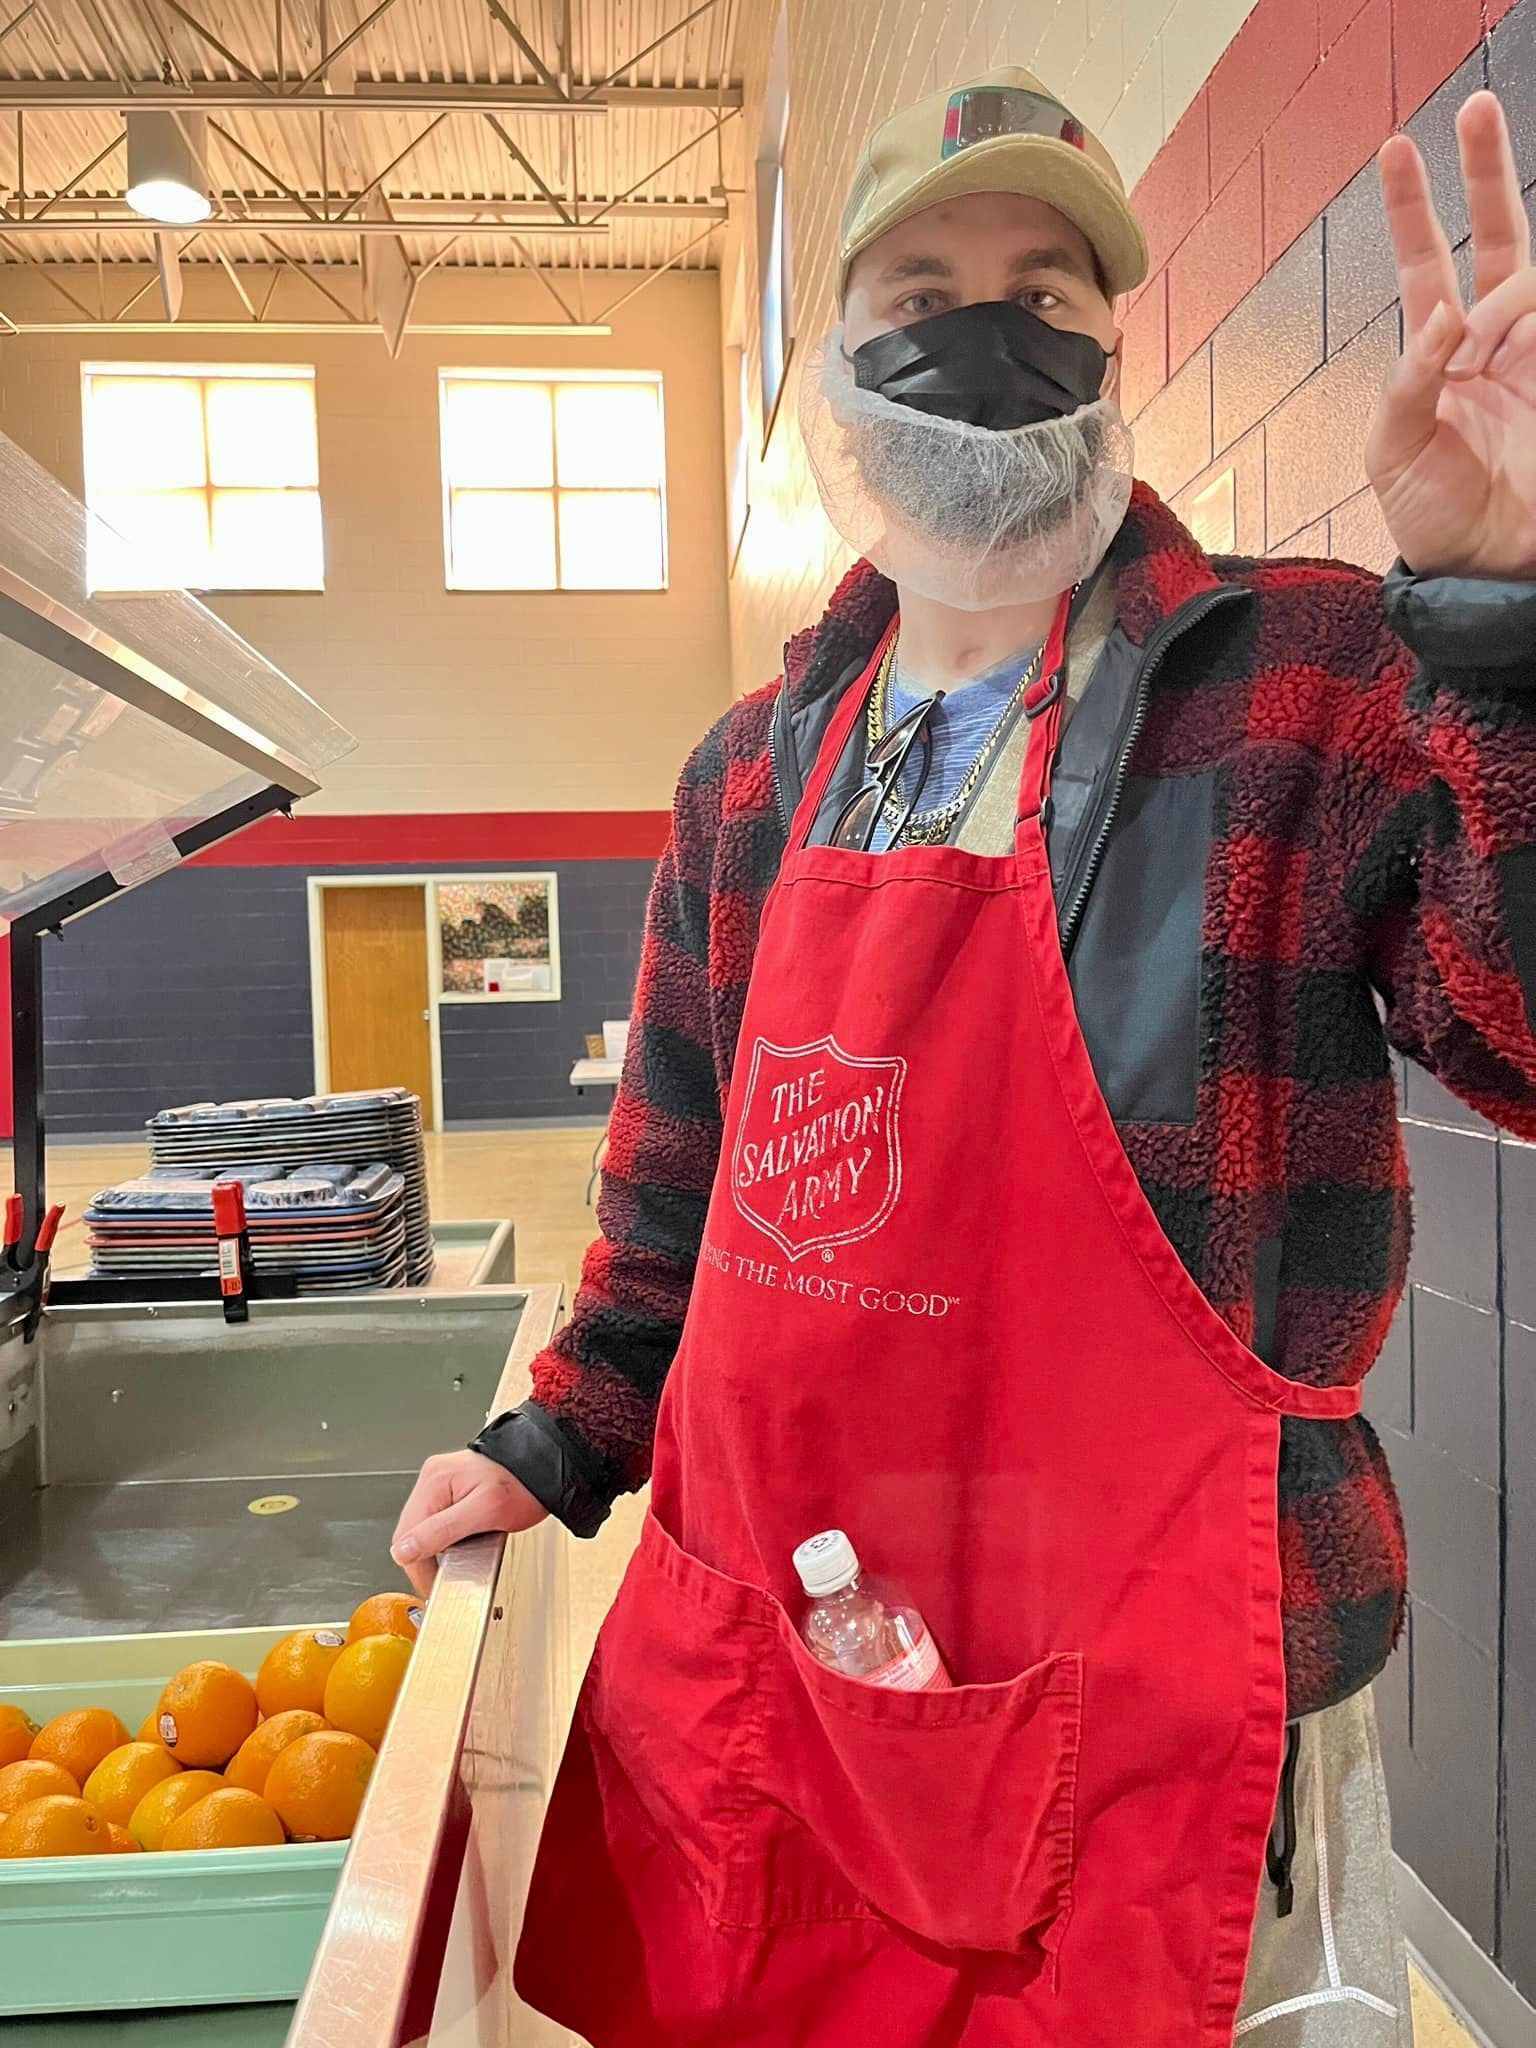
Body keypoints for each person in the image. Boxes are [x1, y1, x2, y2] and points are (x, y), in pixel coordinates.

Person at [394, 67, 1536, 2047]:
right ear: (840, 363)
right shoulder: (749, 772)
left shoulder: (1312, 679)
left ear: (1114, 352)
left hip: (1177, 1684)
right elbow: (671, 1200)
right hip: (800, 1659)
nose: (983, 331)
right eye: (921, 287)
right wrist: (546, 1450)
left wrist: (1505, 620)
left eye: (1046, 291)